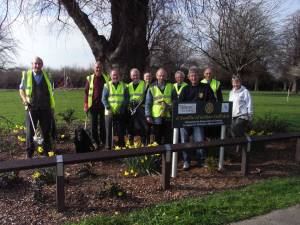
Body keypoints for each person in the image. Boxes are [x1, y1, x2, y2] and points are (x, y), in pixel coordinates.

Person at [179, 66, 215, 170]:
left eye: (195, 76)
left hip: (199, 119)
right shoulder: (185, 89)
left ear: (198, 76)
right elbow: (179, 104)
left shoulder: (206, 88)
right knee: (184, 140)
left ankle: (201, 161)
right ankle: (186, 161)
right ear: (188, 78)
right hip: (185, 120)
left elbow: (212, 101)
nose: (193, 78)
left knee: (199, 140)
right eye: (191, 76)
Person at [19, 56, 55, 158]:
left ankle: (47, 153)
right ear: (32, 64)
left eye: (39, 64)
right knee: (30, 133)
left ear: (42, 65)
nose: (37, 65)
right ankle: (29, 155)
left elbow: (51, 90)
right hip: (31, 108)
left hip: (45, 108)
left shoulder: (47, 75)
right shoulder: (26, 75)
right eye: (35, 63)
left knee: (46, 132)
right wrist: (24, 99)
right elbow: (21, 89)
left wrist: (51, 107)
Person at [84, 60, 110, 149]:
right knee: (93, 125)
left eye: (100, 67)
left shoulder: (106, 78)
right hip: (93, 105)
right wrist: (86, 104)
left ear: (102, 68)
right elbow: (86, 93)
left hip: (104, 106)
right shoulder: (90, 78)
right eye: (96, 67)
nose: (98, 69)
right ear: (94, 69)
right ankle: (96, 142)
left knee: (103, 125)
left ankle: (103, 141)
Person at [102, 68, 128, 149]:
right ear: (110, 76)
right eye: (113, 75)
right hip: (109, 112)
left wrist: (122, 107)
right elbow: (104, 98)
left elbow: (126, 98)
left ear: (119, 76)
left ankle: (121, 146)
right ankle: (108, 147)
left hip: (120, 111)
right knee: (109, 130)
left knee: (121, 130)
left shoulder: (124, 86)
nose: (115, 77)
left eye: (116, 75)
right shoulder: (107, 85)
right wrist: (108, 107)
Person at [145, 68, 173, 145]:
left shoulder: (171, 86)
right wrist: (148, 115)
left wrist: (169, 106)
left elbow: (175, 100)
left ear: (166, 76)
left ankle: (167, 155)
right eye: (160, 75)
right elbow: (148, 103)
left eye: (163, 75)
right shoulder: (151, 87)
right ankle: (158, 155)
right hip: (156, 116)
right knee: (157, 137)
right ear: (156, 76)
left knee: (168, 137)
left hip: (168, 115)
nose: (161, 77)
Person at [127, 68, 148, 145]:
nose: (135, 77)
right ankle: (131, 145)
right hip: (131, 109)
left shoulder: (144, 84)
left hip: (141, 108)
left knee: (143, 126)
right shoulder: (128, 86)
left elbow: (147, 96)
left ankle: (143, 144)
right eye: (133, 75)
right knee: (131, 127)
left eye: (136, 75)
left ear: (139, 75)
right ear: (130, 76)